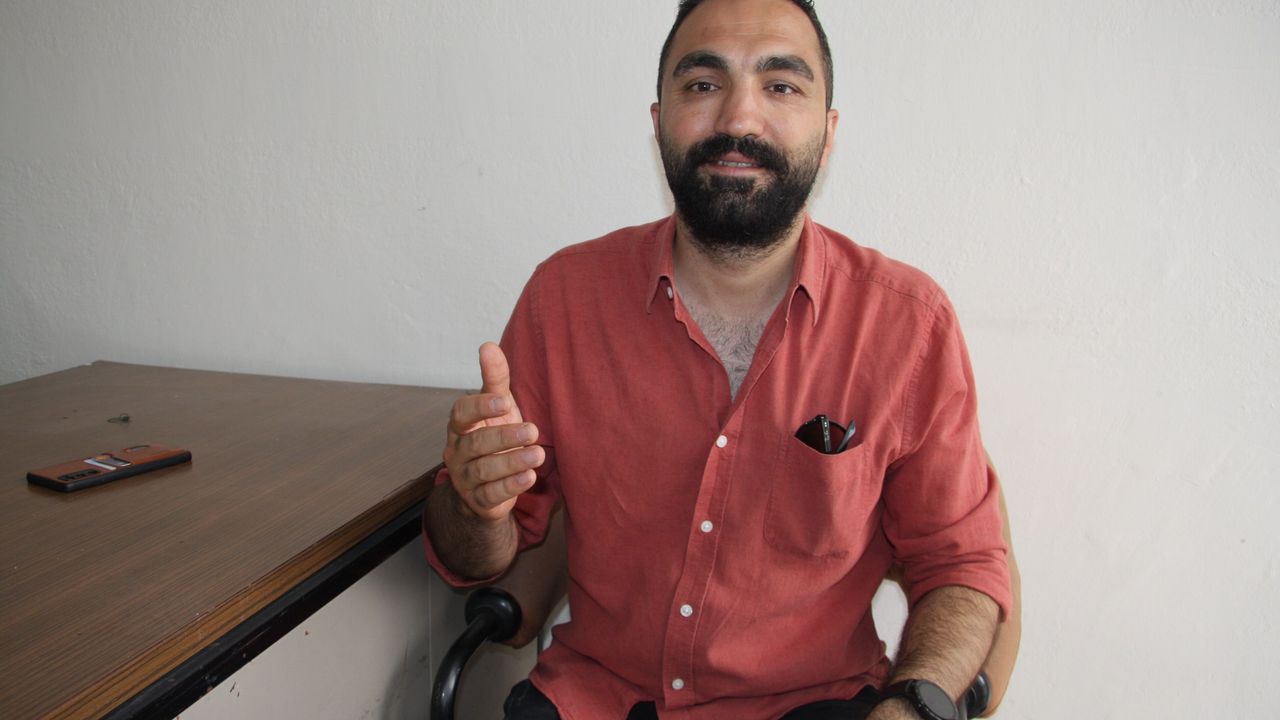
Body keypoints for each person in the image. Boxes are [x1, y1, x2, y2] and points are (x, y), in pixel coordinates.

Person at [424, 1, 1013, 718]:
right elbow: (474, 555)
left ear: (828, 133)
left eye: (780, 86)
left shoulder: (907, 325)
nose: (739, 118)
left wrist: (912, 708)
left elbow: (962, 564)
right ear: (659, 121)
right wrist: (473, 504)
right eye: (703, 85)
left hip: (817, 704)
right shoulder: (563, 300)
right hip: (598, 700)